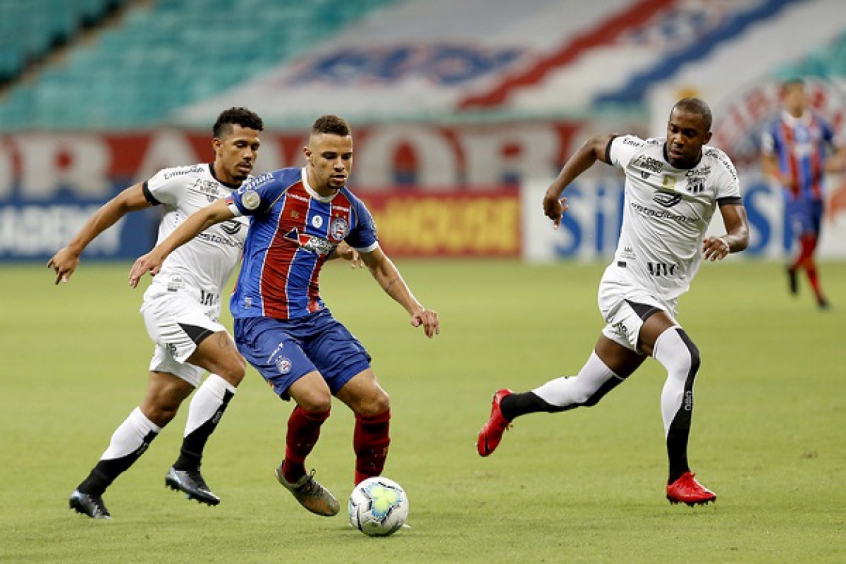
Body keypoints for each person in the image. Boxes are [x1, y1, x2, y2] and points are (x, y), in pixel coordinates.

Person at [129, 114, 440, 518]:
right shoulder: (275, 188)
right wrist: (160, 252)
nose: (340, 165)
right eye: (330, 156)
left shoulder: (352, 210)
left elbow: (379, 264)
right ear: (309, 155)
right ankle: (293, 474)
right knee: (316, 399)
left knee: (375, 403)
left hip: (313, 318)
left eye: (347, 156)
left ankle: (366, 498)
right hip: (261, 319)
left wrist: (415, 306)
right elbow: (207, 214)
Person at [476, 98, 749, 506]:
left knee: (583, 391)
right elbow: (592, 146)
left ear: (705, 138)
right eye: (674, 128)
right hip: (623, 288)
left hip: (659, 301)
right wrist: (554, 191)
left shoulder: (717, 168)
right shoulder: (641, 153)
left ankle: (508, 405)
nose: (677, 139)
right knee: (684, 358)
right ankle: (679, 477)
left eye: (688, 133)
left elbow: (741, 229)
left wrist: (726, 241)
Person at [48, 107, 264, 519]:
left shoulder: (252, 196)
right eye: (240, 145)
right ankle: (187, 466)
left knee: (161, 405)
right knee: (232, 366)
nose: (249, 154)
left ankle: (90, 490)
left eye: (255, 146)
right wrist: (75, 247)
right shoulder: (184, 180)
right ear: (217, 145)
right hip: (170, 299)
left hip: (204, 311)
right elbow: (121, 202)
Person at [761, 77, 845, 310]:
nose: (798, 98)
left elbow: (839, 150)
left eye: (801, 93)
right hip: (795, 196)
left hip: (818, 193)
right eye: (793, 94)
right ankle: (819, 297)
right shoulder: (776, 129)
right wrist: (781, 177)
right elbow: (767, 164)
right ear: (785, 97)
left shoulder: (819, 125)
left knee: (811, 249)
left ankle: (793, 267)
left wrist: (834, 163)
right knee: (806, 241)